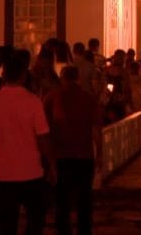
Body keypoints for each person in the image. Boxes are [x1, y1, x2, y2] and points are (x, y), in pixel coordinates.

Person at [0, 49, 55, 235]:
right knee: (35, 221)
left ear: (4, 75)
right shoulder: (33, 101)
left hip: (2, 170)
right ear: (23, 75)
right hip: (31, 170)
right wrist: (51, 164)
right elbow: (43, 137)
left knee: (6, 222)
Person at [45, 66, 103, 235]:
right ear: (78, 78)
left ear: (62, 78)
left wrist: (48, 159)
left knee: (62, 201)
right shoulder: (88, 98)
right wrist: (99, 154)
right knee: (84, 200)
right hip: (84, 155)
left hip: (61, 156)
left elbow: (44, 131)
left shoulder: (52, 97)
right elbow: (96, 130)